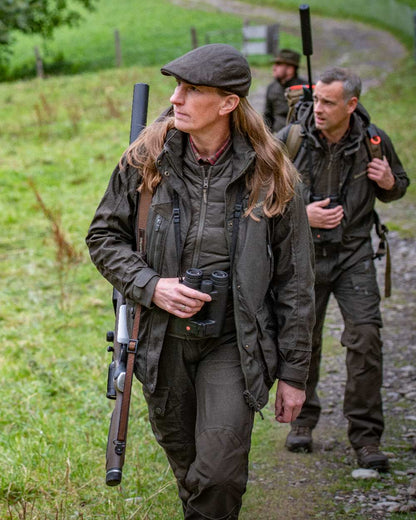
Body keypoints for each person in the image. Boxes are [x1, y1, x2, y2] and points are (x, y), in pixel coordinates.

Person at [86, 43, 315, 519]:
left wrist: (295, 374)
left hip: (232, 343)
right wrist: (152, 286)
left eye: (191, 90)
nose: (175, 100)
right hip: (160, 343)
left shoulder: (272, 174)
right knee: (190, 471)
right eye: (176, 88)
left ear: (228, 103)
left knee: (219, 475)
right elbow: (104, 237)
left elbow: (296, 282)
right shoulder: (146, 159)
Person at [277, 67, 409, 471]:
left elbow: (399, 185)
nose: (318, 108)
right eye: (316, 99)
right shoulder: (291, 140)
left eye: (328, 102)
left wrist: (388, 181)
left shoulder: (373, 140)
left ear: (351, 104)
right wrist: (301, 213)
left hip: (354, 255)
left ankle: (367, 438)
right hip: (305, 256)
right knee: (304, 339)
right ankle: (301, 421)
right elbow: (259, 194)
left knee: (366, 338)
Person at [263, 48, 306, 133]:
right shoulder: (272, 88)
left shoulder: (305, 88)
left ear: (290, 69)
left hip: (300, 136)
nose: (274, 68)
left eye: (278, 64)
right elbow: (267, 117)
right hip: (278, 137)